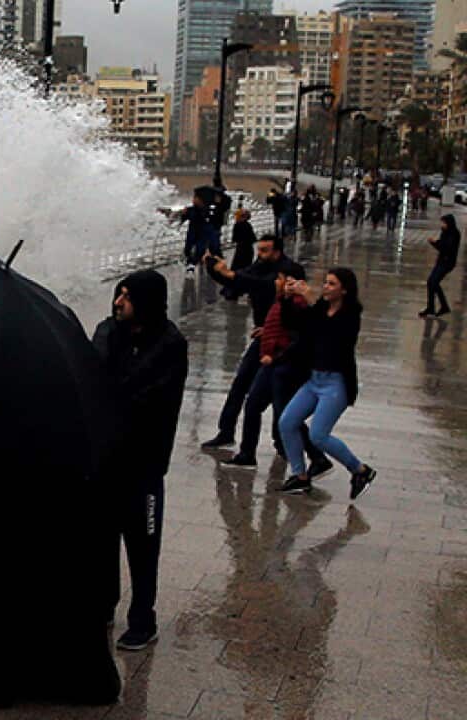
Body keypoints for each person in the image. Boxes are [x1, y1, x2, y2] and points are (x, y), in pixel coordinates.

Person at [92, 270, 188, 651]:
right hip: (106, 459)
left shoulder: (170, 343)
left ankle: (143, 618)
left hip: (145, 465)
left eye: (127, 297)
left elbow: (149, 398)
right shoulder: (107, 331)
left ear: (146, 302)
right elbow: (92, 378)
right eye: (118, 293)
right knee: (101, 542)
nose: (118, 302)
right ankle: (102, 607)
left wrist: (113, 394)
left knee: (143, 544)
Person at [207, 256, 330, 473]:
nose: (277, 282)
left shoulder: (299, 303)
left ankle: (315, 457)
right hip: (273, 362)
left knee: (285, 416)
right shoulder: (285, 300)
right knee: (255, 405)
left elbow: (300, 335)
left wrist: (275, 356)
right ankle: (248, 453)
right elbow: (284, 325)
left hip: (282, 365)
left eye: (281, 279)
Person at [277, 268, 378, 500]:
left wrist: (309, 297)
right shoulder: (320, 309)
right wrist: (286, 297)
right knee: (287, 422)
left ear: (344, 289)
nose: (325, 287)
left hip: (336, 384)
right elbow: (296, 323)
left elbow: (335, 335)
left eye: (331, 284)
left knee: (318, 435)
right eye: (325, 283)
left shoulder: (351, 314)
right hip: (314, 379)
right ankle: (300, 476)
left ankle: (361, 470)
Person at [200, 235, 299, 450]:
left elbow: (263, 285)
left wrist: (232, 274)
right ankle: (226, 431)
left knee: (278, 393)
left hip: (283, 341)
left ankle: (281, 441)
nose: (260, 255)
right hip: (262, 337)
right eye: (259, 250)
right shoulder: (259, 266)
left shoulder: (290, 270)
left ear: (277, 251)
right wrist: (214, 268)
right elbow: (239, 280)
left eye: (265, 250)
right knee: (240, 385)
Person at [421, 213, 460, 317]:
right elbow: (442, 246)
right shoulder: (445, 233)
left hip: (447, 262)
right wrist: (435, 243)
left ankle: (442, 306)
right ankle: (432, 307)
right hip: (441, 261)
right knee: (431, 282)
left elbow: (447, 248)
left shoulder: (454, 234)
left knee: (434, 282)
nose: (442, 225)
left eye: (443, 222)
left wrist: (435, 243)